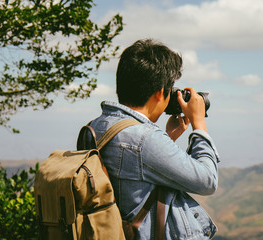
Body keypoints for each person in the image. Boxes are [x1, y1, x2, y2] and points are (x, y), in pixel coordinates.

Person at [89, 39, 219, 239]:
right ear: (160, 93)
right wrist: (199, 123)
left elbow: (131, 174)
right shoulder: (145, 139)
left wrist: (167, 139)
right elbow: (208, 181)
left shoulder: (97, 126)